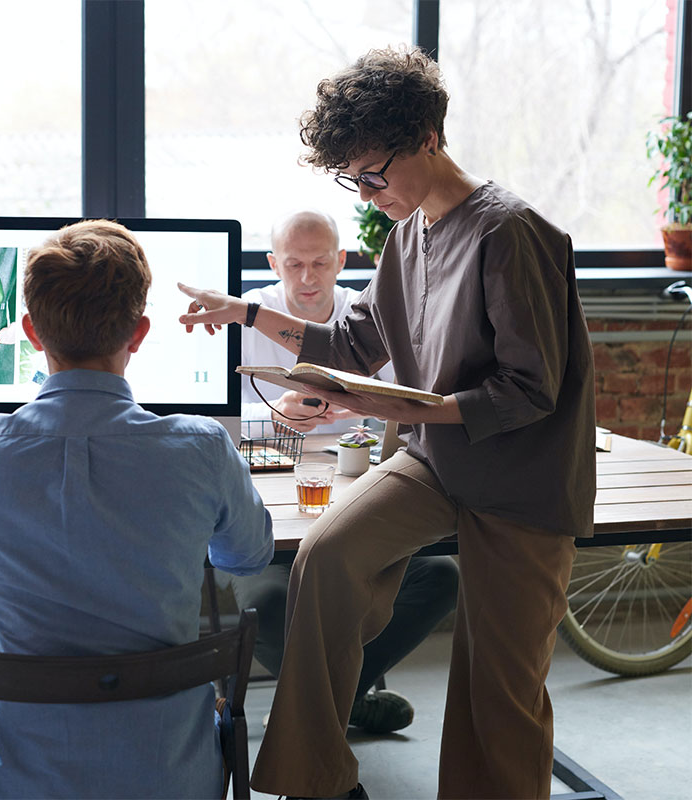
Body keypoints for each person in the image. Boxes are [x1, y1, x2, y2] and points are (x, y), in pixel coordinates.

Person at [179, 45, 595, 800]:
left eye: (375, 174)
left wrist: (416, 407)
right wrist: (246, 311)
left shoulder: (510, 233)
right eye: (353, 179)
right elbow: (356, 343)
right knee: (326, 558)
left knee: (496, 692)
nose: (367, 193)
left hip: (521, 481)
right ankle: (319, 779)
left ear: (430, 137)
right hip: (439, 462)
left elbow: (533, 389)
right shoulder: (407, 237)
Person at [0, 219, 274, 800]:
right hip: (173, 774)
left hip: (19, 780)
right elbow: (250, 555)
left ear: (31, 334)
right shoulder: (201, 445)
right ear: (139, 333)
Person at [236, 209, 459, 734]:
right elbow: (216, 428)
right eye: (294, 265)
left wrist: (369, 409)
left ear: (341, 261)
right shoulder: (251, 318)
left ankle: (328, 699)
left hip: (358, 491)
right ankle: (342, 702)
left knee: (441, 578)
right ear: (274, 264)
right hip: (269, 500)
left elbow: (405, 405)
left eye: (320, 263)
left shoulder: (369, 316)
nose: (308, 278)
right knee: (269, 602)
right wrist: (278, 414)